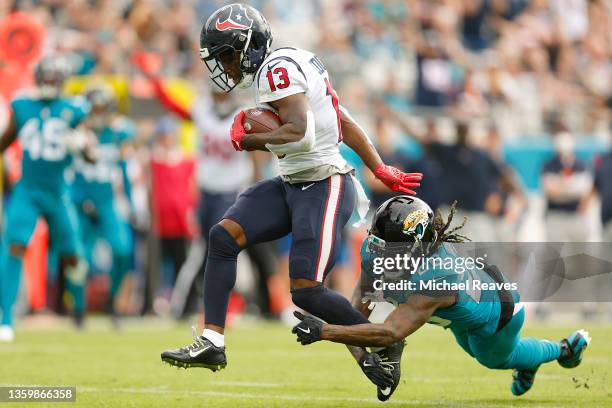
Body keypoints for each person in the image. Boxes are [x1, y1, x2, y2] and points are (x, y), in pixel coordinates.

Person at [160, 3, 422, 388]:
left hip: (324, 183)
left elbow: (300, 131)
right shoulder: (293, 60)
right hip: (293, 182)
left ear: (248, 46)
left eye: (228, 56)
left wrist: (248, 139)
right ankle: (213, 340)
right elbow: (341, 118)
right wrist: (379, 167)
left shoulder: (276, 70)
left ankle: (380, 340)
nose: (226, 68)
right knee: (223, 236)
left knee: (306, 291)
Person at [292, 196, 591, 400]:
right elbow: (357, 309)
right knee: (473, 349)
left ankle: (563, 350)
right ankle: (531, 360)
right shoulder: (379, 250)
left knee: (494, 359)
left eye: (388, 247)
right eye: (377, 241)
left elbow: (391, 331)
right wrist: (364, 359)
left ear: (414, 246)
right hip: (459, 316)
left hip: (498, 311)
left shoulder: (437, 277)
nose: (377, 252)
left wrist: (324, 331)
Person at [0, 56, 94, 341]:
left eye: (55, 77)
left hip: (59, 192)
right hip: (27, 189)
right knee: (15, 245)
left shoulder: (74, 108)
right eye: (47, 77)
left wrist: (81, 146)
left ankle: (78, 310)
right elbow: (5, 140)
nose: (50, 82)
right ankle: (6, 318)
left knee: (73, 255)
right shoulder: (22, 105)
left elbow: (92, 155)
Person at [71, 84, 134, 323]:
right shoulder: (76, 134)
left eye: (101, 109)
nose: (98, 114)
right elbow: (68, 172)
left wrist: (132, 205)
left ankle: (112, 300)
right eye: (93, 109)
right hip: (82, 203)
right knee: (78, 258)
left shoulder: (118, 133)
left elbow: (123, 171)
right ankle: (78, 308)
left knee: (122, 250)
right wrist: (80, 200)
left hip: (107, 202)